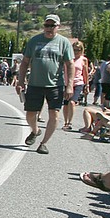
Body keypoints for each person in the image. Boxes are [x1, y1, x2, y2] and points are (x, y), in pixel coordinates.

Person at [15, 14, 74, 154]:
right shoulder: (34, 41)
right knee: (30, 114)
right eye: (47, 25)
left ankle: (43, 143)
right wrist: (20, 80)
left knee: (54, 114)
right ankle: (35, 131)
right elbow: (24, 62)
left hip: (55, 85)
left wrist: (69, 84)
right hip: (35, 84)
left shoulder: (64, 42)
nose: (49, 28)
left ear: (58, 27)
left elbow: (70, 64)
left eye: (52, 26)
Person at [62, 40, 91, 131]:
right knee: (66, 104)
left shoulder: (83, 60)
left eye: (78, 50)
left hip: (78, 82)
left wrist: (87, 85)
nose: (76, 52)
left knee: (72, 102)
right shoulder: (67, 58)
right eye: (74, 50)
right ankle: (66, 121)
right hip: (67, 83)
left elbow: (85, 73)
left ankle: (70, 122)